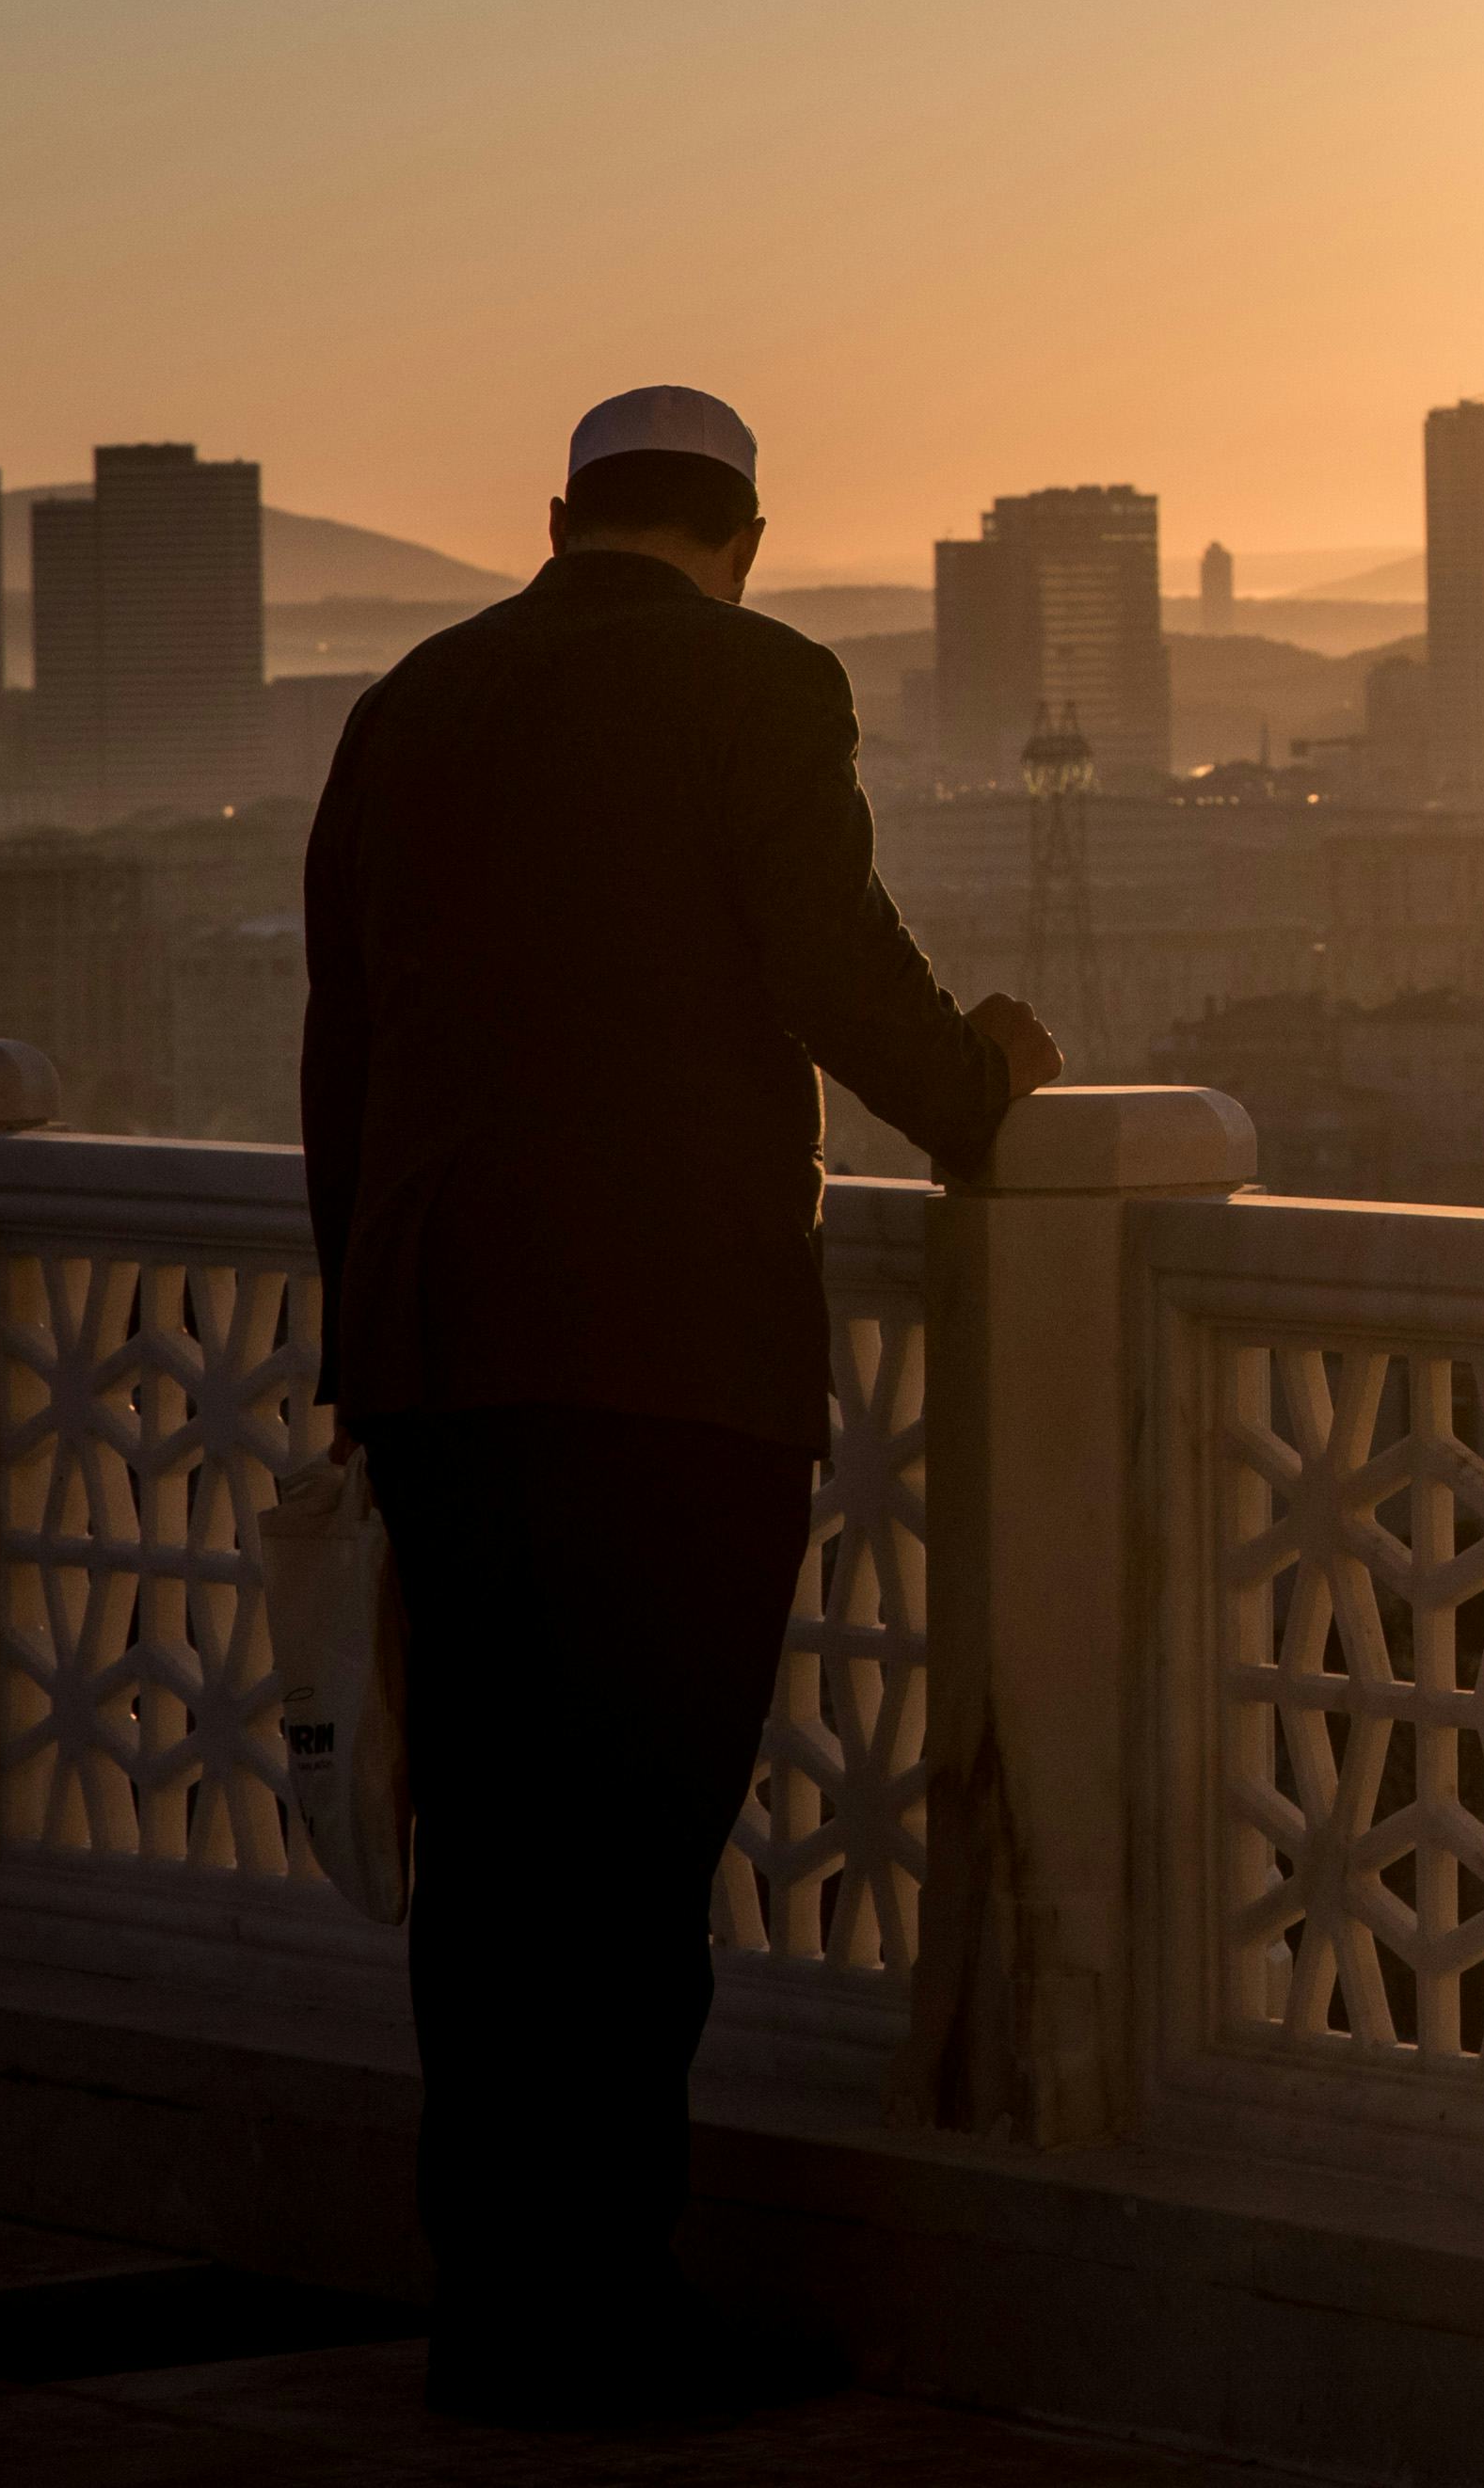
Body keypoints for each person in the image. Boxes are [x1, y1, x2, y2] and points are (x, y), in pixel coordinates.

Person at [302, 386, 1058, 2429]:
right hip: (672, 1354)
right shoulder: (759, 680)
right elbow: (829, 957)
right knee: (630, 1857)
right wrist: (984, 1089)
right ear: (742, 528)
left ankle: (494, 2309)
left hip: (445, 1352)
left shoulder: (411, 703)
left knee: (491, 1860)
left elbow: (345, 1049)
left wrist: (359, 1349)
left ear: (559, 516)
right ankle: (606, 2311)